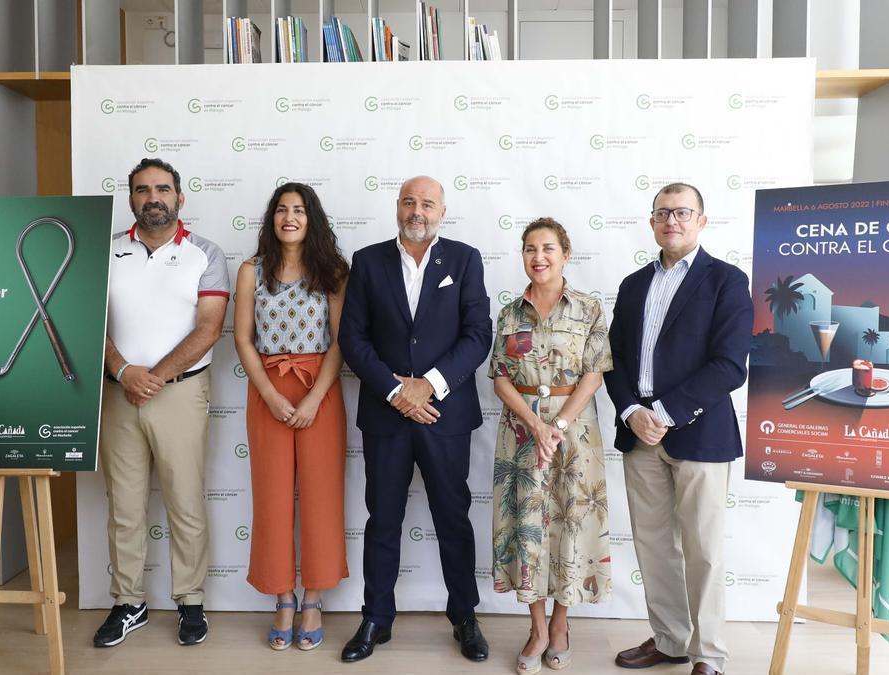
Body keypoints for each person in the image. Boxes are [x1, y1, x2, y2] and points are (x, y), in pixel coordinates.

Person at [338, 175, 493, 664]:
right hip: (387, 415)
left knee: (453, 517)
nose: (417, 211)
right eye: (409, 202)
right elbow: (353, 338)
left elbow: (478, 334)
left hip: (444, 413)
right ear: (397, 207)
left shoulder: (465, 259)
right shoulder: (367, 261)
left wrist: (429, 384)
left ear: (442, 211)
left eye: (427, 203)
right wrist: (395, 389)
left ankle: (465, 617)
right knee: (382, 519)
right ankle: (375, 618)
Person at [604, 183, 753, 675]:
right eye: (663, 212)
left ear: (701, 221)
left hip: (698, 432)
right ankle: (670, 640)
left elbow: (730, 365)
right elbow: (614, 360)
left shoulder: (726, 281)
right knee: (652, 544)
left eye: (683, 212)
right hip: (638, 431)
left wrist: (663, 412)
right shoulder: (631, 285)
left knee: (703, 549)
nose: (673, 220)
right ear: (652, 223)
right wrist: (631, 411)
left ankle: (708, 655)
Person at [94, 157, 229, 648]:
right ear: (131, 198)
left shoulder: (205, 253)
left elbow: (210, 327)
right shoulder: (105, 252)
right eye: (143, 189)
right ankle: (128, 603)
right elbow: (90, 323)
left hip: (180, 393)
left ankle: (190, 602)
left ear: (180, 197)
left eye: (163, 189)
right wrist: (125, 371)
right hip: (117, 392)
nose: (154, 197)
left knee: (185, 502)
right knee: (124, 507)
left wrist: (153, 376)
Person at [489, 218, 613, 674]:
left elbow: (594, 374)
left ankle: (561, 625)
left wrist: (556, 423)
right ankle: (537, 628)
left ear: (565, 253)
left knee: (570, 523)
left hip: (575, 435)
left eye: (547, 248)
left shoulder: (588, 308)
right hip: (521, 435)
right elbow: (500, 378)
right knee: (527, 526)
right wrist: (536, 427)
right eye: (529, 249)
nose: (538, 257)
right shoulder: (508, 313)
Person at [233, 182, 349, 651]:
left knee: (321, 496)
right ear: (272, 218)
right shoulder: (250, 271)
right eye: (281, 210)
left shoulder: (333, 271)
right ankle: (283, 596)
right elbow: (242, 338)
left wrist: (312, 399)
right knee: (273, 496)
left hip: (319, 388)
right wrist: (270, 394)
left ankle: (313, 599)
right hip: (268, 389)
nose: (289, 217)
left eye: (299, 210)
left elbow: (341, 341)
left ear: (311, 218)